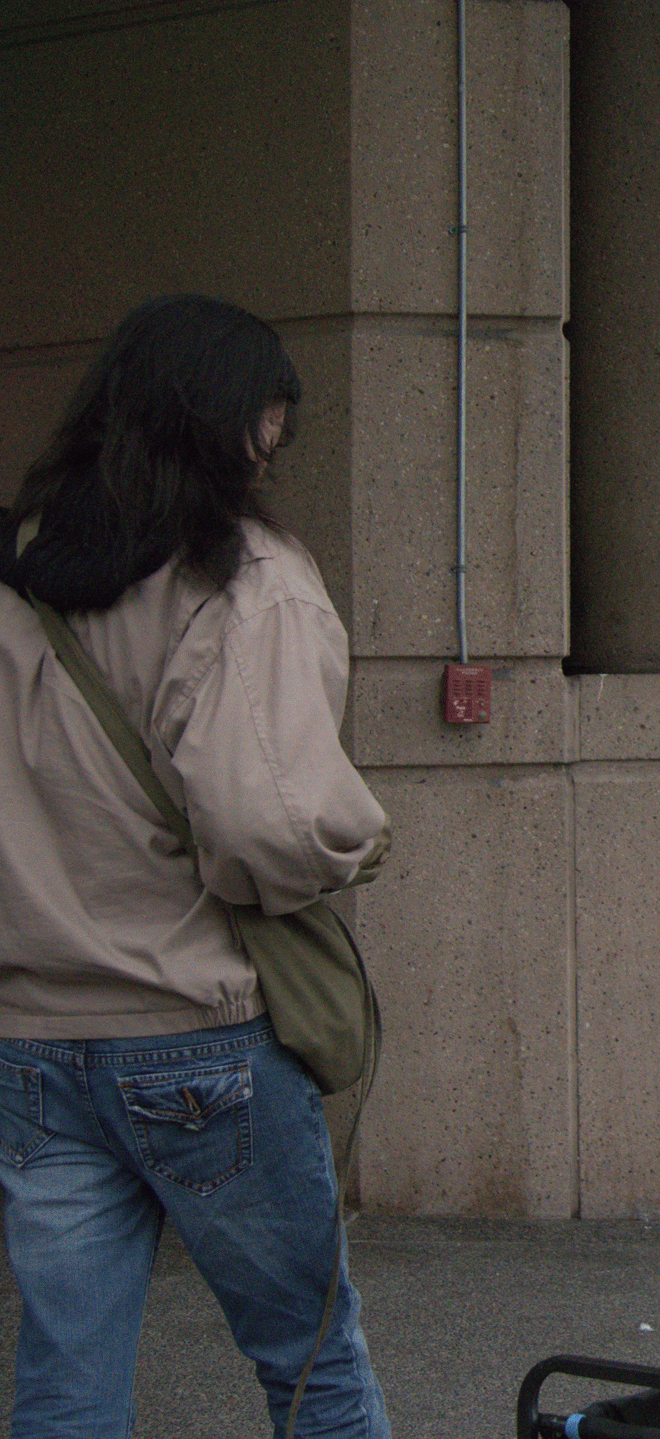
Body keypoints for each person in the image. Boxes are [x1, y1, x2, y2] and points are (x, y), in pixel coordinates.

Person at [0, 295, 392, 1438]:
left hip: (30, 1032)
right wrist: (357, 840)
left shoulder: (24, 565)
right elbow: (271, 827)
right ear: (240, 424)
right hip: (197, 1029)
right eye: (276, 411)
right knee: (309, 1359)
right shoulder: (243, 579)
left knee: (66, 1373)